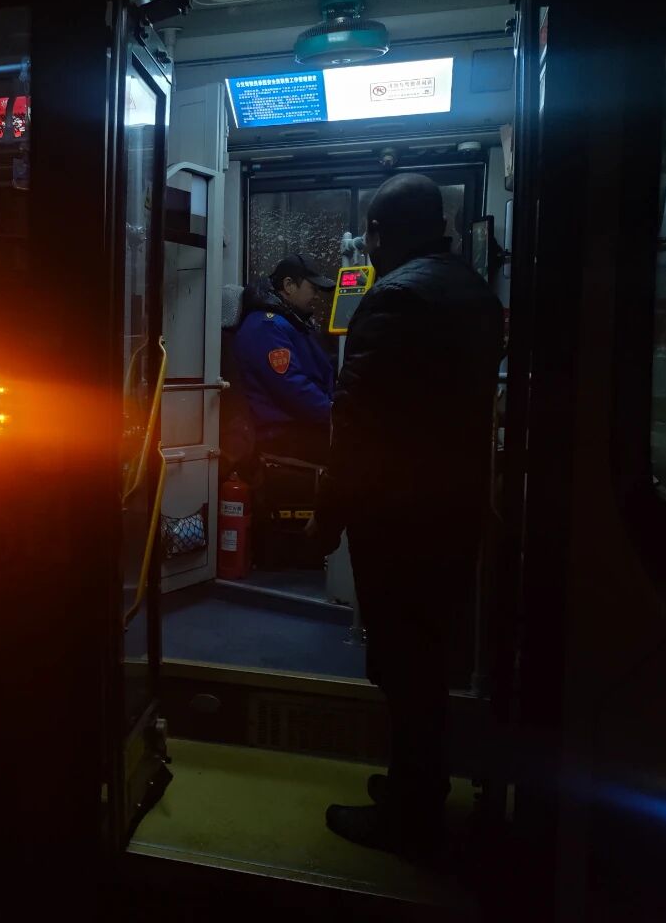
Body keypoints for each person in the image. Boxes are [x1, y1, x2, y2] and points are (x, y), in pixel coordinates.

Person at [311, 174, 504, 859]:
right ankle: (417, 786)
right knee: (428, 660)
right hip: (453, 508)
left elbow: (357, 426)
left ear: (380, 233)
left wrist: (327, 518)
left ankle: (411, 814)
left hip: (398, 518)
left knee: (403, 665)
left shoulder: (393, 298)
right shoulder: (474, 292)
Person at [232, 254, 336, 466]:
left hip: (302, 426)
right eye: (313, 288)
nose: (317, 296)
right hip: (282, 433)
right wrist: (333, 414)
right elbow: (290, 385)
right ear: (289, 285)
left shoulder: (291, 321)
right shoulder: (267, 326)